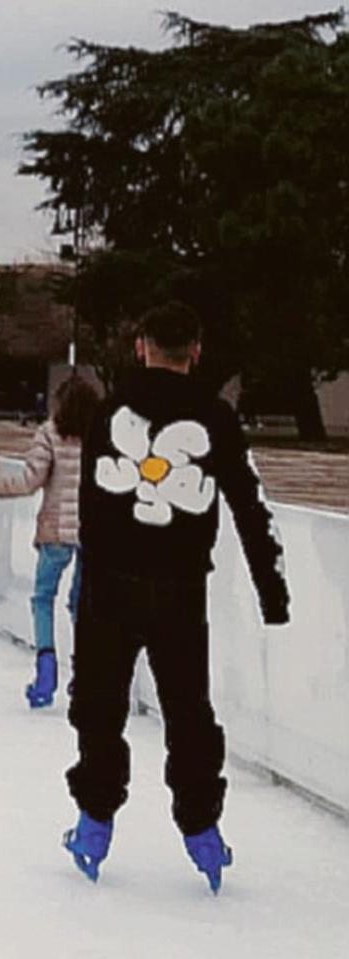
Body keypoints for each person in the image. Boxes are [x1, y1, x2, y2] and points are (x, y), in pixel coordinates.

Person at [62, 303, 288, 894]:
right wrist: (272, 588)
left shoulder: (112, 412)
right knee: (188, 707)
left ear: (140, 346)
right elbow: (247, 502)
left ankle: (95, 818)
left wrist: (88, 574)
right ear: (197, 350)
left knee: (100, 702)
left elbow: (92, 503)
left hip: (111, 583)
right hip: (180, 587)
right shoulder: (214, 417)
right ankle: (202, 826)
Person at [0, 375, 100, 708]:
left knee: (43, 598)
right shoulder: (101, 435)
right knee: (83, 604)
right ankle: (84, 672)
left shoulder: (50, 433)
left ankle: (46, 665)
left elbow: (31, 479)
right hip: (92, 533)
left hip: (55, 532)